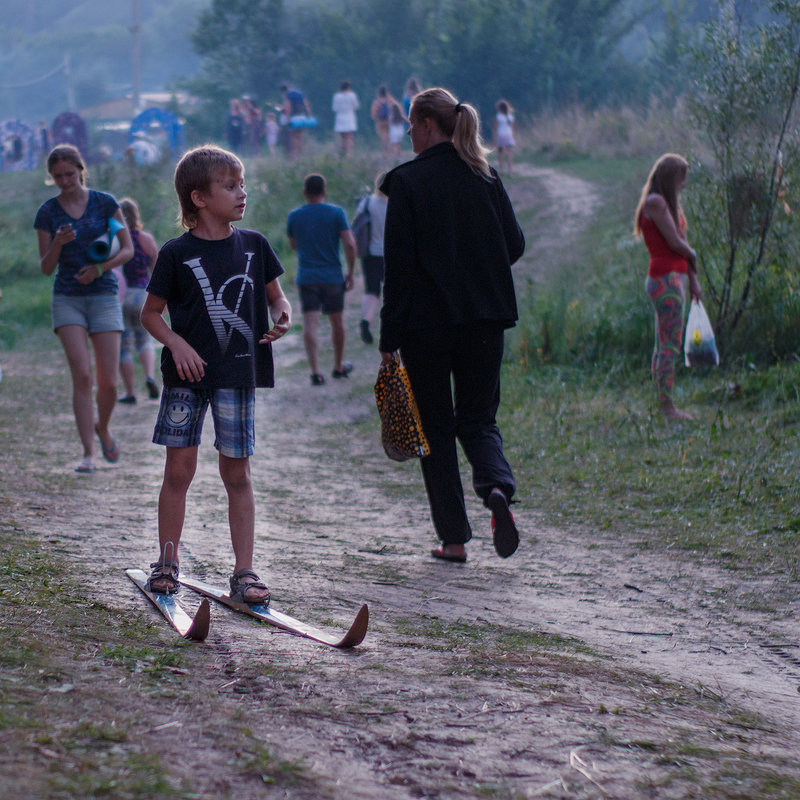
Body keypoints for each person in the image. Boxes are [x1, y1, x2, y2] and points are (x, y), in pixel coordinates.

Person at [378, 87, 525, 563]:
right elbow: (515, 244)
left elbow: (397, 269)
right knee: (479, 419)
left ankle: (455, 540)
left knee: (436, 430)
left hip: (427, 327)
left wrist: (389, 338)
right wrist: (479, 266)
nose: (407, 133)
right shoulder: (486, 175)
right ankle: (497, 487)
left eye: (410, 124)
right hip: (486, 318)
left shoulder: (407, 182)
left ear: (426, 124)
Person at [140, 145, 291, 602]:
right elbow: (150, 315)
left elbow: (276, 298)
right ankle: (167, 562)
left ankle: (244, 572)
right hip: (185, 380)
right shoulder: (175, 253)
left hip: (237, 374)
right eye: (230, 185)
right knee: (178, 471)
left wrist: (282, 315)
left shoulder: (255, 245)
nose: (241, 193)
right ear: (199, 197)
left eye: (241, 184)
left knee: (238, 474)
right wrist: (177, 343)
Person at [34, 144, 134, 474]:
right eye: (58, 176)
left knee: (108, 382)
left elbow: (128, 249)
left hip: (104, 294)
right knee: (83, 375)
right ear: (51, 177)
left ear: (81, 169)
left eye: (70, 174)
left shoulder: (105, 203)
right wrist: (58, 245)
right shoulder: (47, 213)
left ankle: (102, 427)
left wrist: (101, 269)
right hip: (67, 298)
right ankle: (88, 453)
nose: (65, 181)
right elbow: (46, 268)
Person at [634, 153, 702, 421]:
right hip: (665, 279)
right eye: (680, 179)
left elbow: (681, 242)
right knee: (668, 345)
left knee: (664, 343)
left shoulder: (669, 204)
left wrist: (694, 279)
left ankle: (663, 403)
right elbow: (676, 243)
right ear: (669, 177)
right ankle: (667, 408)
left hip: (674, 278)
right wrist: (693, 254)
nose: (683, 185)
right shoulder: (656, 202)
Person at [287, 173, 357, 385]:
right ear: (324, 191)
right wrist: (351, 272)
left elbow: (293, 245)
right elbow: (350, 244)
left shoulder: (295, 216)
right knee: (337, 321)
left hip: (308, 276)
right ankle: (338, 365)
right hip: (332, 276)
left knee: (310, 322)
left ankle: (316, 372)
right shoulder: (336, 213)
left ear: (304, 192)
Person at [117, 197, 160, 404]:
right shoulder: (147, 239)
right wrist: (163, 300)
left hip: (120, 297)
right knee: (144, 341)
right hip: (142, 294)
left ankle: (130, 392)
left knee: (124, 346)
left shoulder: (115, 241)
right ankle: (150, 377)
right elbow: (158, 272)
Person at [356, 172, 388, 344]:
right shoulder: (396, 202)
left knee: (372, 290)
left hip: (370, 253)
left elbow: (357, 222)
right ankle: (390, 325)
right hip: (392, 253)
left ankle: (366, 320)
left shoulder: (367, 202)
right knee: (393, 291)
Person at [281, 84, 313, 158]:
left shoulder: (288, 95)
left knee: (293, 136)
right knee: (300, 136)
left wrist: (287, 119)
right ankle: (301, 153)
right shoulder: (300, 93)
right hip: (302, 117)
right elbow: (306, 105)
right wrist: (310, 116)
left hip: (294, 118)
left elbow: (288, 108)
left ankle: (295, 154)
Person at [332, 80, 360, 157]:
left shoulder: (337, 96)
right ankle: (349, 153)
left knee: (342, 138)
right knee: (349, 137)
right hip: (349, 117)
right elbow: (356, 106)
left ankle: (343, 153)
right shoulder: (352, 95)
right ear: (348, 87)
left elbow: (335, 108)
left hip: (340, 118)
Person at [371, 85, 399, 155]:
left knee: (382, 137)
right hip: (388, 121)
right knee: (389, 137)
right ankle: (389, 151)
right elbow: (396, 106)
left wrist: (376, 118)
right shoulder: (389, 100)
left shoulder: (377, 102)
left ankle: (384, 152)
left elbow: (373, 114)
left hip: (380, 121)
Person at [493, 100, 516, 175]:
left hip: (501, 136)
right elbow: (512, 128)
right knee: (509, 154)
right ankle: (510, 171)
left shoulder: (498, 117)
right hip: (509, 136)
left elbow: (495, 128)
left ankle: (502, 170)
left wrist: (493, 139)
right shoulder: (510, 117)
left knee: (500, 153)